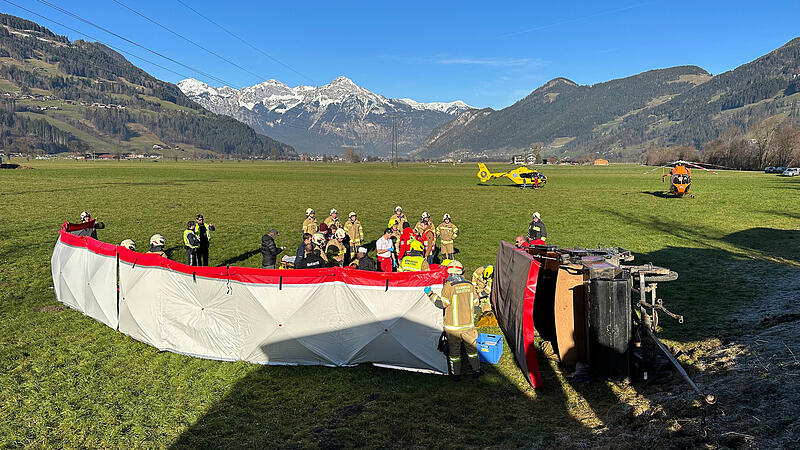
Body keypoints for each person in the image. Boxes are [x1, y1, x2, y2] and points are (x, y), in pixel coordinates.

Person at [424, 260, 483, 381]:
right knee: (472, 350)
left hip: (453, 328)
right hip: (468, 326)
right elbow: (476, 306)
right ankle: (476, 371)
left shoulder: (448, 287)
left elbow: (441, 304)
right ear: (462, 272)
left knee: (454, 352)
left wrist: (430, 293)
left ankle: (456, 375)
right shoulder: (470, 286)